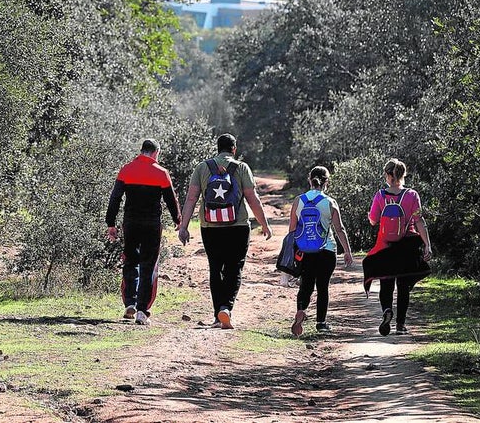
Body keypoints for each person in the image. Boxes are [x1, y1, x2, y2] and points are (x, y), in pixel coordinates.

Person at [177, 133, 272, 329]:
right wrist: (264, 224)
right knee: (234, 267)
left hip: (210, 227)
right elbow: (252, 198)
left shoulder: (202, 167)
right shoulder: (242, 167)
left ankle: (216, 315)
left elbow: (191, 199)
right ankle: (226, 308)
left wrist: (184, 226)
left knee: (215, 267)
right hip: (237, 226)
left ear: (218, 148)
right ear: (234, 149)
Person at [105, 138, 180, 326]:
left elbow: (115, 198)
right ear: (156, 152)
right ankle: (142, 311)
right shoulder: (162, 173)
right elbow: (171, 200)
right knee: (148, 265)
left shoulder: (126, 169)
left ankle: (129, 303)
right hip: (152, 225)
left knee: (130, 261)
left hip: (130, 223)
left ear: (142, 151)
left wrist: (111, 223)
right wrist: (178, 221)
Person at [363, 158, 433, 336]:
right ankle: (400, 325)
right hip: (407, 246)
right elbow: (419, 221)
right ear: (403, 175)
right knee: (403, 286)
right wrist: (427, 245)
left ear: (387, 175)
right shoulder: (412, 195)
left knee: (386, 284)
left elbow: (373, 221)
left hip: (386, 246)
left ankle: (387, 310)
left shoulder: (380, 195)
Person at [288, 166, 355, 336]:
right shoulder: (330, 202)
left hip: (305, 250)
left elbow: (292, 229)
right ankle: (321, 323)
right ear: (327, 182)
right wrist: (347, 251)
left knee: (306, 285)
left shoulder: (299, 200)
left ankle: (301, 309)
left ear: (309, 180)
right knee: (323, 286)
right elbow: (340, 229)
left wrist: (291, 251)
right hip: (326, 250)